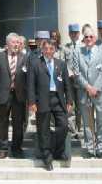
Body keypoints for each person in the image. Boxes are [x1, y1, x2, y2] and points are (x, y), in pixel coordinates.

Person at [28, 40, 73, 171]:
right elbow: (31, 85)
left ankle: (58, 151)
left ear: (55, 50)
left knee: (64, 126)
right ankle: (47, 156)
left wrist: (69, 100)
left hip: (58, 99)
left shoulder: (61, 64)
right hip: (42, 99)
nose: (48, 51)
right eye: (46, 49)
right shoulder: (35, 63)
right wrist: (31, 102)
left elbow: (67, 85)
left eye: (51, 49)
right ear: (42, 50)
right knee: (43, 129)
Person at [0, 33, 28, 159]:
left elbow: (29, 78)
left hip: (19, 96)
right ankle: (2, 148)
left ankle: (17, 148)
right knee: (2, 123)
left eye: (18, 42)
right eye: (14, 42)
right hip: (3, 95)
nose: (16, 44)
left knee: (18, 123)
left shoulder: (25, 57)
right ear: (8, 43)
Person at [74, 27, 102, 158]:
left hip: (99, 92)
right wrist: (88, 87)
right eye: (86, 37)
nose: (88, 39)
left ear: (95, 39)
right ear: (83, 39)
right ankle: (90, 147)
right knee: (87, 122)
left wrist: (95, 88)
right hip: (84, 92)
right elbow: (77, 73)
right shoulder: (78, 52)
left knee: (101, 120)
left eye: (91, 37)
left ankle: (101, 148)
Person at [63, 23, 83, 136]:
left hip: (81, 81)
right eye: (72, 33)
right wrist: (68, 71)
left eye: (76, 33)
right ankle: (72, 130)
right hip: (70, 81)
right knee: (71, 105)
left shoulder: (83, 46)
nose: (74, 35)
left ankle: (80, 129)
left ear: (79, 34)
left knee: (81, 106)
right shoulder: (65, 47)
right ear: (69, 34)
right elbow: (62, 63)